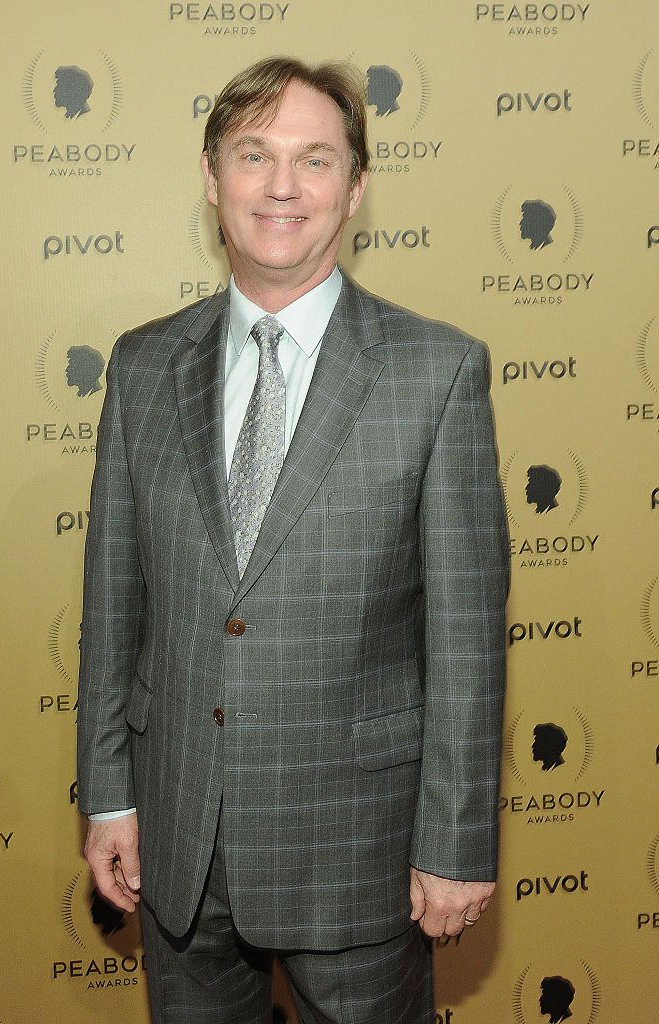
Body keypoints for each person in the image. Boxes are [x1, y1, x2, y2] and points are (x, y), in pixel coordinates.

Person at [77, 55, 509, 1024]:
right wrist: (109, 795)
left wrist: (455, 844)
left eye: (313, 159)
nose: (280, 185)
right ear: (211, 176)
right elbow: (115, 602)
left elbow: (467, 641)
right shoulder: (143, 365)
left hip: (356, 854)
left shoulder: (436, 373)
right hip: (176, 849)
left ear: (355, 188)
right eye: (253, 154)